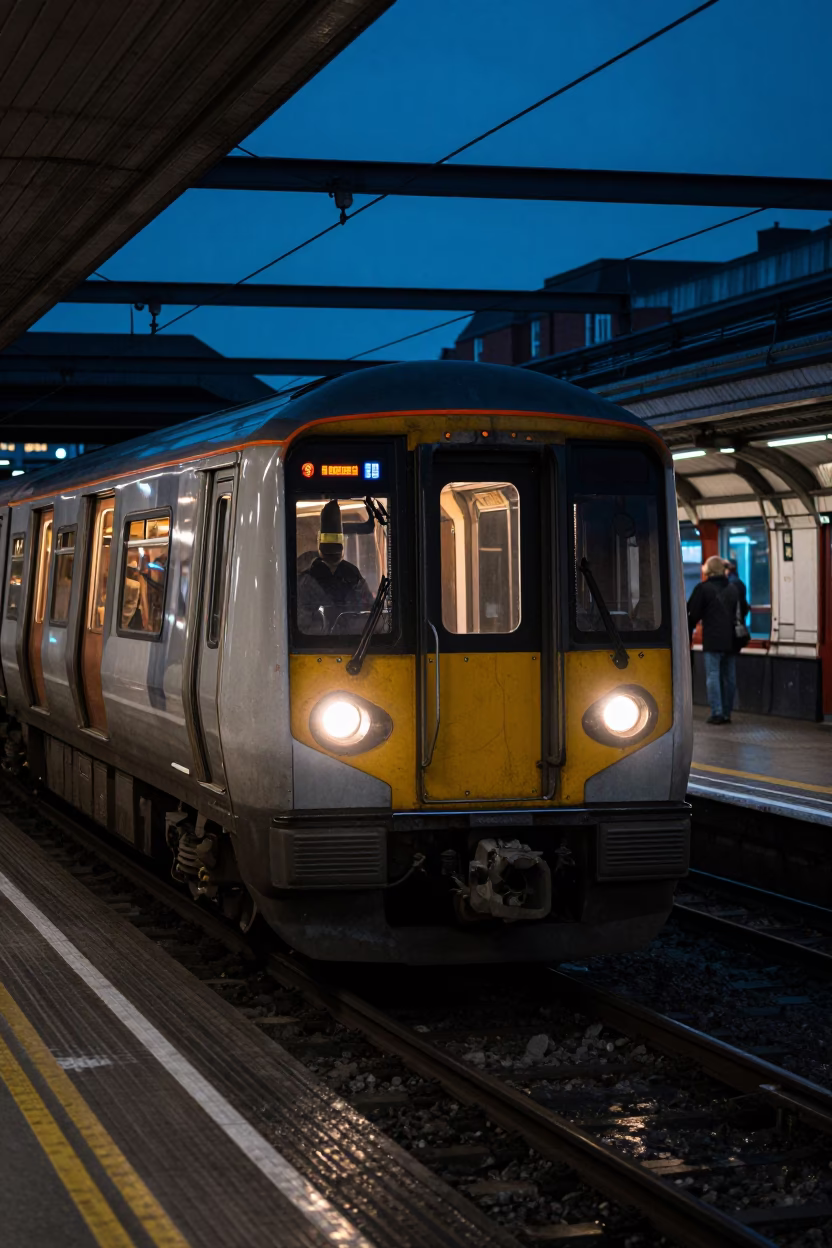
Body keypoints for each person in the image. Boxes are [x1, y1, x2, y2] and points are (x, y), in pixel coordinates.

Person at [296, 499, 374, 634]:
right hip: (354, 643)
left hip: (317, 646)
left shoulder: (306, 579)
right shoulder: (352, 574)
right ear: (342, 546)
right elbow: (369, 612)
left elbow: (302, 622)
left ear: (319, 542)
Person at [686, 554, 740, 725]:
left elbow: (692, 614)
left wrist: (688, 635)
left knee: (713, 676)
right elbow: (743, 610)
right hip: (731, 640)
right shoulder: (733, 588)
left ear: (708, 570)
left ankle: (716, 712)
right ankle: (727, 712)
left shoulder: (703, 589)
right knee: (729, 677)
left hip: (713, 639)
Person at [724, 558, 751, 624]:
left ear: (727, 570)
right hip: (739, 621)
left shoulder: (730, 584)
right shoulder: (739, 582)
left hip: (732, 623)